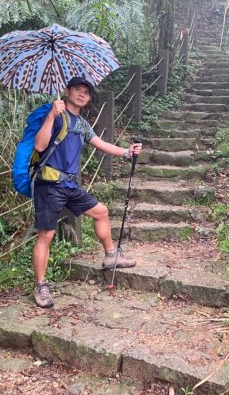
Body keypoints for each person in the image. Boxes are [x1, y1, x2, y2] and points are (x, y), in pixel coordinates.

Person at [32, 76, 142, 308]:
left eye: (86, 92)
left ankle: (111, 255)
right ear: (67, 91)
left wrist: (126, 153)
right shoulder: (55, 115)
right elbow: (40, 146)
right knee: (47, 235)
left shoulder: (82, 123)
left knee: (101, 212)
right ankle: (40, 286)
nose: (82, 94)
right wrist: (52, 115)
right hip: (49, 184)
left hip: (70, 185)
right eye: (77, 89)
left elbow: (100, 143)